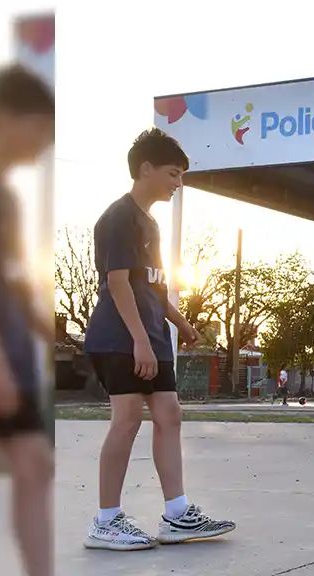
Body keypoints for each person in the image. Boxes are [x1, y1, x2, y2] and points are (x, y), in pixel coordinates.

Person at [83, 128, 236, 550]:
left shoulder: (150, 223)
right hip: (120, 338)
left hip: (150, 336)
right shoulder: (119, 218)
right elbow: (117, 284)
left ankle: (177, 514)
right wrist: (140, 341)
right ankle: (106, 520)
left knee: (169, 414)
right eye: (173, 173)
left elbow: (151, 285)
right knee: (128, 419)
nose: (178, 183)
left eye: (182, 176)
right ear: (145, 169)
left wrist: (181, 322)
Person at [0, 64, 55, 576]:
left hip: (7, 357)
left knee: (32, 464)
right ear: (6, 119)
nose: (46, 139)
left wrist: (49, 330)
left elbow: (8, 280)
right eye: (40, 125)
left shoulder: (5, 196)